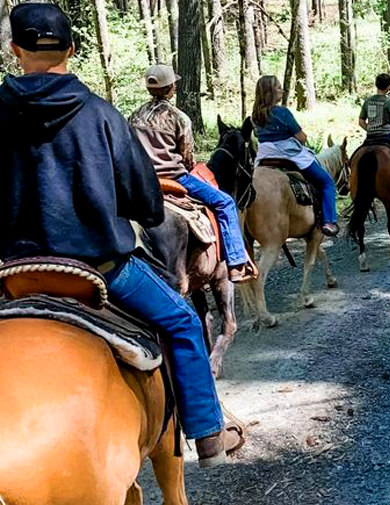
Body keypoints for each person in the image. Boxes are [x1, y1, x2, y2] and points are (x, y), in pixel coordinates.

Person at [0, 3, 242, 468]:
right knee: (183, 322)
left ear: (15, 51)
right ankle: (208, 434)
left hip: (12, 274)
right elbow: (148, 205)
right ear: (71, 49)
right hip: (101, 270)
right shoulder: (102, 116)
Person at [129, 64, 257, 282]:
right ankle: (236, 263)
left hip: (142, 181)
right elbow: (187, 157)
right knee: (225, 202)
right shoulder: (179, 118)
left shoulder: (134, 116)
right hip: (174, 177)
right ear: (171, 87)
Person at [251, 75, 339, 237]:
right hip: (289, 156)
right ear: (270, 92)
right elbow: (301, 137)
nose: (282, 90)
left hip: (264, 157)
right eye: (278, 88)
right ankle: (329, 221)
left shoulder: (255, 115)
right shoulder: (282, 112)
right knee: (326, 182)